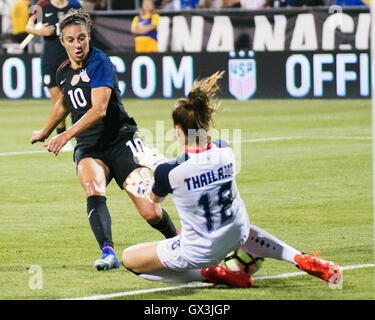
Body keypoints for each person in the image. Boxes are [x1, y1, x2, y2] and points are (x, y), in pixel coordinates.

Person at [122, 71, 342, 288]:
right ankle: (299, 258)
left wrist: (149, 175)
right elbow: (194, 166)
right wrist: (162, 164)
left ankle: (209, 274)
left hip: (200, 251)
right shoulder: (224, 151)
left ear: (177, 130)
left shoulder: (168, 173)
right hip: (238, 234)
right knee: (238, 224)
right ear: (204, 124)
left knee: (130, 259)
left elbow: (155, 198)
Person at [30, 9, 178, 271]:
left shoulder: (100, 63)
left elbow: (98, 110)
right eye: (71, 40)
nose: (78, 45)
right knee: (92, 187)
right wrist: (44, 131)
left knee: (150, 212)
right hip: (89, 146)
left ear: (89, 38)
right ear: (62, 42)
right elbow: (62, 104)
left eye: (82, 38)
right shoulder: (63, 70)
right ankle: (108, 252)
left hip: (120, 140)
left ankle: (178, 242)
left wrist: (64, 135)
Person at [26, 0, 82, 152]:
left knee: (72, 98)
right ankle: (61, 135)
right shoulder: (42, 5)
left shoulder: (75, 5)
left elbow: (85, 27)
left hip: (71, 58)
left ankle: (77, 134)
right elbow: (28, 26)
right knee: (57, 99)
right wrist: (40, 31)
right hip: (50, 59)